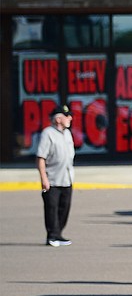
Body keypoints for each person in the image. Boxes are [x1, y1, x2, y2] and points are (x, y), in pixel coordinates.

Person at [35, 104, 76, 246]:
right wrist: (43, 178)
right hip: (52, 179)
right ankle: (52, 236)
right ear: (58, 119)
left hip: (67, 179)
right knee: (51, 209)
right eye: (67, 116)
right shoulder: (48, 134)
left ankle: (58, 234)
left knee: (64, 208)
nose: (70, 118)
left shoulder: (67, 133)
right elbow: (41, 158)